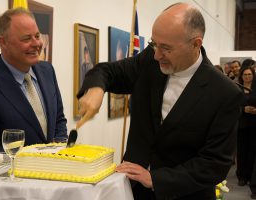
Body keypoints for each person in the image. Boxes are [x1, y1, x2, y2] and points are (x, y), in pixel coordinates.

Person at [76, 3, 243, 200]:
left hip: (184, 195)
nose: (157, 55)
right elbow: (107, 71)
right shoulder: (150, 61)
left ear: (196, 44)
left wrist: (156, 179)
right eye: (154, 44)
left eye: (166, 48)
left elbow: (215, 164)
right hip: (132, 191)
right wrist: (96, 89)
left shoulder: (225, 92)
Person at [0, 8, 67, 153]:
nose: (36, 44)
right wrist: (33, 157)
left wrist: (59, 150)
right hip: (11, 175)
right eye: (26, 38)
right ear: (3, 42)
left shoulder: (48, 71)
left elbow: (59, 120)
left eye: (37, 36)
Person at [236, 66, 256, 189]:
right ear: (241, 76)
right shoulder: (237, 89)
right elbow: (231, 107)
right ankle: (242, 176)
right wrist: (243, 109)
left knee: (252, 151)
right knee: (242, 151)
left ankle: (250, 176)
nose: (247, 77)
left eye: (249, 74)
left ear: (253, 76)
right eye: (245, 75)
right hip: (241, 125)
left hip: (254, 124)